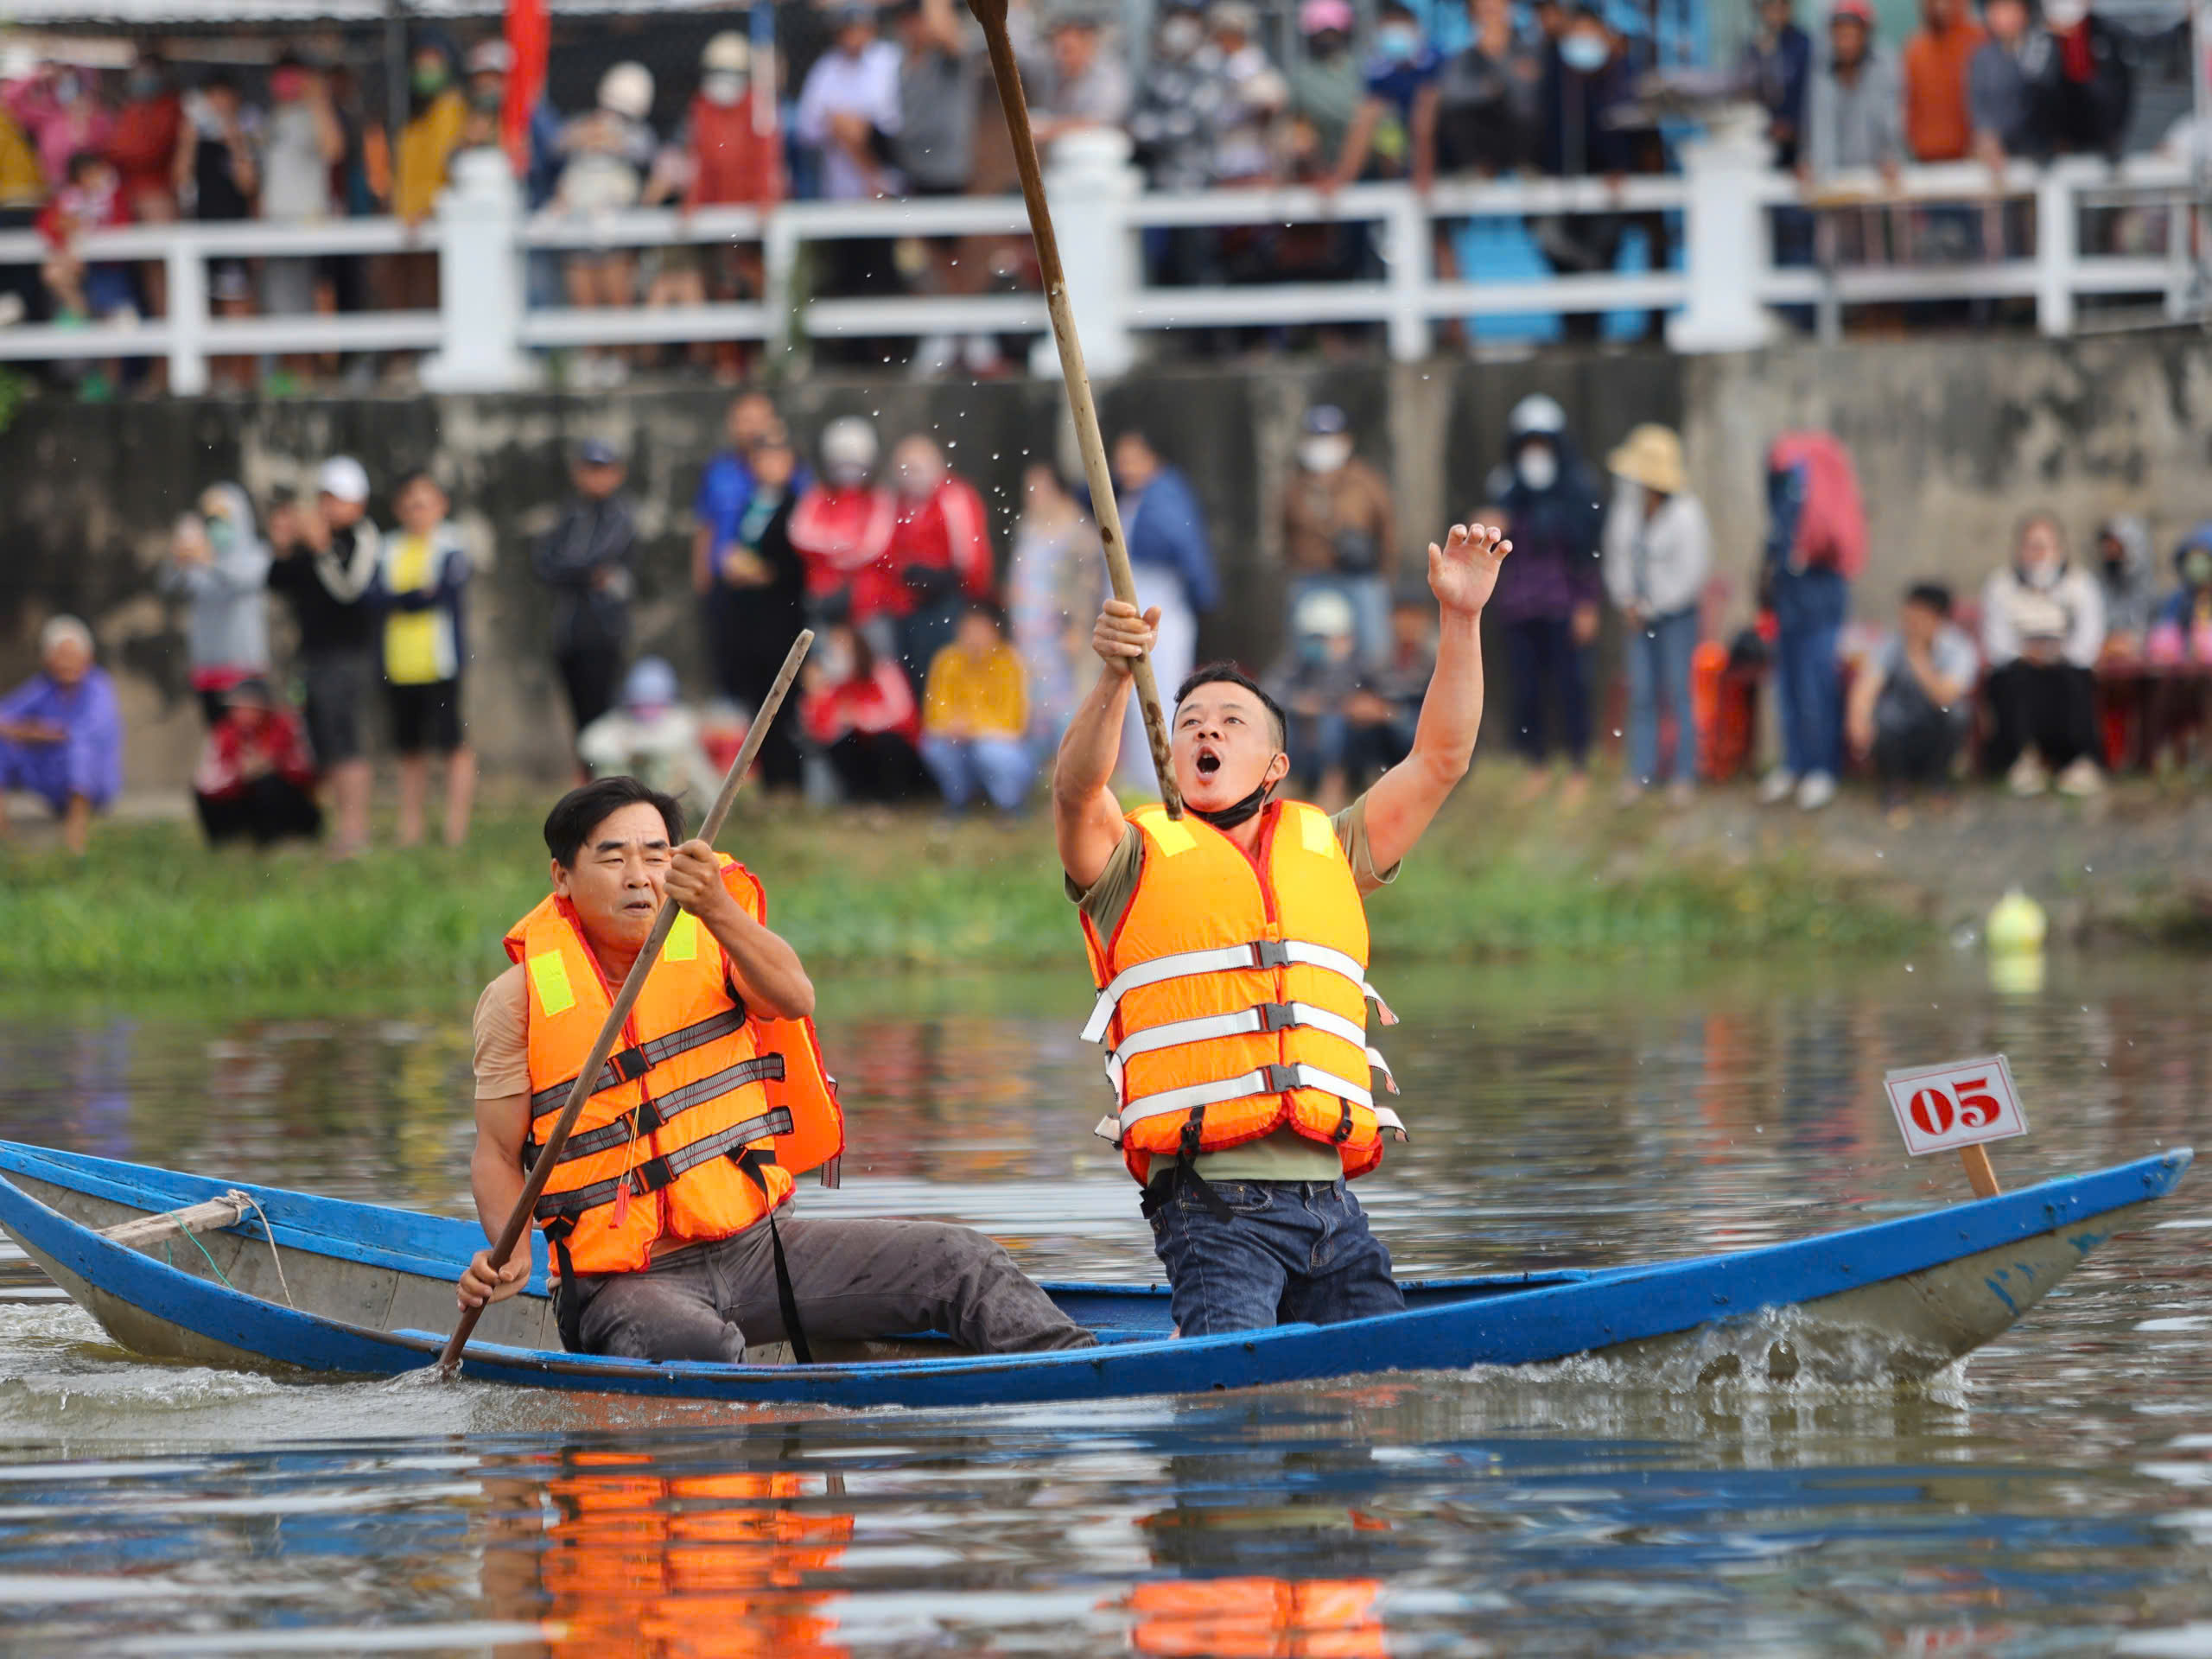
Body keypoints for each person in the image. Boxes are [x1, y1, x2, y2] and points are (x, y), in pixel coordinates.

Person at [1052, 518, 1512, 1337]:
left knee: (1378, 1396)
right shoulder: (1129, 856)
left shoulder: (1328, 847)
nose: (1207, 730)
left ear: (1275, 768)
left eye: (1233, 722)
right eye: (1191, 719)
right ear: (1168, 744)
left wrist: (1463, 620)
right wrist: (1117, 680)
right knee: (1230, 1400)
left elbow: (1440, 758)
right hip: (1211, 1205)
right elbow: (1076, 790)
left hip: (1332, 1204)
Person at [454, 776, 1095, 1360]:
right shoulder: (517, 1001)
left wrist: (720, 909)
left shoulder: (716, 940)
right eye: (613, 856)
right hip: (621, 1282)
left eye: (655, 855)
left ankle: (1085, 1371)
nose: (638, 876)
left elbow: (795, 997)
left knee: (958, 1260)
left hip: (759, 1249)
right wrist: (509, 1253)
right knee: (689, 1346)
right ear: (562, 876)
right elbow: (496, 1154)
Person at [1489, 394, 1602, 807]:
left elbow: (1588, 552)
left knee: (1572, 687)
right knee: (1526, 690)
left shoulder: (1577, 488)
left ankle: (1578, 767)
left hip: (1562, 606)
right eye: (1527, 444)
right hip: (1520, 607)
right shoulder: (1506, 487)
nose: (1535, 453)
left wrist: (1588, 605)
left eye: (1543, 443)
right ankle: (1535, 765)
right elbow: (1489, 536)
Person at [265, 455, 381, 857]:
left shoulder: (362, 538)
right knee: (321, 745)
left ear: (359, 503)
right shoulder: (315, 541)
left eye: (339, 498)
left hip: (347, 657)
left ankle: (356, 830)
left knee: (345, 742)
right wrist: (284, 544)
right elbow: (277, 580)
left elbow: (350, 589)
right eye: (326, 498)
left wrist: (322, 549)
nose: (331, 507)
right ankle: (338, 828)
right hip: (312, 658)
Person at [696, 417, 809, 791]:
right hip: (749, 619)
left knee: (784, 703)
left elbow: (793, 563)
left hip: (781, 616)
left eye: (776, 454)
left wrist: (756, 569)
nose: (768, 463)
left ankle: (790, 781)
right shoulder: (751, 502)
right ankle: (769, 781)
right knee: (756, 699)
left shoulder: (798, 505)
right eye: (762, 455)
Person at [1601, 424, 1710, 805]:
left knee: (1678, 691)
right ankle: (1640, 773)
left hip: (1676, 616)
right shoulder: (1626, 511)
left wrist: (1651, 606)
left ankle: (1684, 774)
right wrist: (1627, 600)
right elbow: (1616, 559)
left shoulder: (1686, 514)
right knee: (1642, 693)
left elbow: (1691, 573)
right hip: (1636, 617)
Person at [1758, 430, 1865, 811]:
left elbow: (1832, 540)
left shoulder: (1816, 479)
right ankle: (1794, 765)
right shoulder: (1787, 479)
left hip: (1818, 601)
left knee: (1815, 686)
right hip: (1789, 602)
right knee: (1788, 685)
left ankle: (1822, 769)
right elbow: (1777, 539)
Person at [1107, 429, 1218, 785]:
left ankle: (1167, 779)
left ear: (1153, 458)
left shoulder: (1166, 495)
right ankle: (1142, 778)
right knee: (1129, 698)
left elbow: (1185, 549)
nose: (1125, 468)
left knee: (1162, 694)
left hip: (1162, 612)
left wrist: (1203, 596)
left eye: (1132, 459)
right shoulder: (1129, 496)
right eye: (1119, 460)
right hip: (1132, 613)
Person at [379, 470, 477, 846]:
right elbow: (377, 598)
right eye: (409, 504)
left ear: (440, 507)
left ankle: (456, 827)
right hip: (400, 665)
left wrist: (405, 598)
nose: (415, 511)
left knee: (453, 745)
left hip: (440, 663)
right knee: (410, 749)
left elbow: (441, 594)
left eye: (423, 503)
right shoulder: (389, 548)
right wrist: (415, 595)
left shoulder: (451, 547)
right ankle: (411, 827)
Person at [1980, 512, 2105, 796]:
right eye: (2030, 546)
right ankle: (2022, 760)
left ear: (2058, 550)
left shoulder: (2080, 584)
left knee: (2074, 680)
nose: (2037, 555)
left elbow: (2088, 639)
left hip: (2066, 662)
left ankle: (2078, 761)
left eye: (2044, 547)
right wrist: (2027, 653)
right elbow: (1996, 641)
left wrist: (2054, 653)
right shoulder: (2000, 585)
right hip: (2019, 664)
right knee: (2012, 680)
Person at [555, 63, 657, 388]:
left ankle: (620, 358)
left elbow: (646, 152)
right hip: (578, 223)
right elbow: (555, 144)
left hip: (616, 228)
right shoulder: (582, 122)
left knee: (616, 292)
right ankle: (592, 357)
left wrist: (613, 140)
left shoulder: (639, 133)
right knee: (583, 293)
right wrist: (583, 135)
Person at [533, 439, 638, 756]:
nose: (595, 477)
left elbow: (597, 558)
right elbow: (543, 564)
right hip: (568, 632)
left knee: (603, 719)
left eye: (602, 469)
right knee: (580, 720)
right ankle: (587, 793)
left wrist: (571, 569)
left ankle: (607, 791)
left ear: (616, 473)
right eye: (589, 469)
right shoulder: (570, 515)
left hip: (604, 631)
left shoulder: (621, 516)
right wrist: (583, 573)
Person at [1282, 405, 1395, 672]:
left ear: (1346, 441)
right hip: (1312, 577)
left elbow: (1386, 529)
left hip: (1358, 577)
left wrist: (1383, 573)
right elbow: (1285, 532)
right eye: (1317, 439)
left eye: (1330, 439)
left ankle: (1369, 700)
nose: (1323, 447)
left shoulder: (1366, 481)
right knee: (1307, 654)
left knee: (1372, 649)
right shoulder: (1294, 487)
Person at [1845, 582, 1977, 810]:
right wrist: (1858, 718)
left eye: (1918, 617)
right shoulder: (1892, 643)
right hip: (1902, 719)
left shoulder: (1959, 648)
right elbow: (1868, 685)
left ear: (1938, 618)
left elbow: (1944, 696)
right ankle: (1896, 782)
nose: (1910, 624)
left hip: (1937, 721)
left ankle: (1938, 781)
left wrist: (1918, 659)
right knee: (1883, 714)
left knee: (1957, 713)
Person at [1005, 462, 1103, 764]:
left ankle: (1072, 769)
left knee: (1067, 703)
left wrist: (1077, 626)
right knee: (1032, 703)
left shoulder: (1079, 531)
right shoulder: (1028, 526)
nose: (1032, 496)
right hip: (1028, 630)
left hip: (1061, 631)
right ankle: (1041, 776)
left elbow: (1088, 586)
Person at [0, 615, 121, 856]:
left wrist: (36, 732)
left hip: (93, 786)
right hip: (51, 780)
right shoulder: (44, 688)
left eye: (73, 655)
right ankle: (5, 839)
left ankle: (76, 843)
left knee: (79, 749)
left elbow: (82, 732)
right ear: (47, 661)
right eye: (60, 656)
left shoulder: (100, 688)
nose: (67, 663)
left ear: (89, 659)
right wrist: (33, 732)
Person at [886, 434, 995, 684]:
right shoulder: (899, 503)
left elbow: (971, 557)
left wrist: (970, 594)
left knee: (947, 670)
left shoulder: (953, 497)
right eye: (905, 470)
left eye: (917, 468)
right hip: (911, 604)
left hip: (949, 600)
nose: (911, 476)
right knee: (914, 674)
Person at [162, 482, 271, 723]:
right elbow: (168, 586)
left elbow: (244, 580)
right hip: (207, 669)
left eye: (223, 516)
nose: (216, 525)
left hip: (245, 670)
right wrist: (177, 557)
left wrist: (208, 560)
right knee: (220, 746)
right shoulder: (198, 559)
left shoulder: (257, 554)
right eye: (210, 518)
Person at [257, 54, 343, 349]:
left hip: (308, 221)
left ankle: (314, 371)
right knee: (280, 302)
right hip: (275, 224)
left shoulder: (313, 115)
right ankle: (290, 372)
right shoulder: (271, 119)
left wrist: (318, 99)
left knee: (310, 300)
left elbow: (333, 150)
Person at [789, 416, 899, 645]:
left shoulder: (880, 498)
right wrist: (845, 544)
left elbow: (875, 547)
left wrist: (832, 550)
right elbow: (800, 535)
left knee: (878, 670)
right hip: (824, 604)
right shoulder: (817, 496)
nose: (848, 472)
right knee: (823, 675)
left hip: (870, 609)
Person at [800, 618, 930, 804]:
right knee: (839, 743)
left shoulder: (883, 671)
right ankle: (859, 797)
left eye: (843, 645)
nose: (838, 652)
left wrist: (862, 717)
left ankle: (895, 797)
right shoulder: (836, 684)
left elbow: (903, 713)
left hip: (898, 745)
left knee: (887, 743)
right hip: (864, 747)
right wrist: (817, 698)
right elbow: (823, 728)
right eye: (833, 646)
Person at [919, 603, 1033, 814]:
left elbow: (1014, 722)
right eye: (968, 630)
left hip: (999, 743)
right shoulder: (947, 660)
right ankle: (959, 800)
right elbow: (934, 712)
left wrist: (972, 727)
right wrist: (952, 727)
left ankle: (1010, 804)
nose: (974, 637)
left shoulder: (1009, 662)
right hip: (960, 738)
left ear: (994, 631)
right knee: (935, 746)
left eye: (980, 629)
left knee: (990, 752)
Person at [191, 677, 322, 847]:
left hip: (288, 800)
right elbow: (206, 782)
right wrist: (239, 773)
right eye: (237, 708)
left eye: (249, 708)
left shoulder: (285, 726)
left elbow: (308, 769)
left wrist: (273, 764)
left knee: (268, 784)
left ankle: (283, 838)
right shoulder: (224, 733)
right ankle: (227, 841)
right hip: (241, 796)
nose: (241, 714)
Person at [1325, 0, 1441, 191]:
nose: (1394, 37)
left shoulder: (1436, 61)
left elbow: (1425, 121)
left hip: (1445, 149)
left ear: (1415, 30)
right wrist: (1341, 178)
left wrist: (1423, 171)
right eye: (1388, 30)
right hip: (1413, 155)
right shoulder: (1381, 74)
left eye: (1399, 29)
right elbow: (1364, 124)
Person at [1266, 587, 1363, 810]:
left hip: (1342, 747)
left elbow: (1361, 698)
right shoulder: (1297, 663)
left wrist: (1325, 703)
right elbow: (1271, 691)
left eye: (1324, 638)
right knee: (1281, 720)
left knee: (1333, 722)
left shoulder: (1356, 665)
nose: (1318, 645)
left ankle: (1332, 786)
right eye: (1313, 638)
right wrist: (1299, 702)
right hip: (1300, 745)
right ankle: (1285, 783)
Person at [390, 41, 467, 319]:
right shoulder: (414, 112)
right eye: (422, 64)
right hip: (411, 219)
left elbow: (442, 162)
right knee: (409, 292)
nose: (427, 71)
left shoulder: (451, 107)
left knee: (435, 293)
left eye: (434, 64)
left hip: (434, 216)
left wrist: (424, 207)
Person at [577, 657, 720, 801]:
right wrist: (629, 752)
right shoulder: (617, 724)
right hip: (626, 797)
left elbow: (701, 774)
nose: (646, 710)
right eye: (640, 705)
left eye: (653, 704)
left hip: (673, 799)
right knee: (609, 770)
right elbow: (590, 744)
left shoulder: (680, 721)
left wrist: (646, 750)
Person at [1344, 593, 1436, 791]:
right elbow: (1359, 693)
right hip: (1382, 729)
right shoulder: (1378, 659)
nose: (1407, 624)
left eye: (1414, 616)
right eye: (1402, 616)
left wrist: (1390, 713)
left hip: (1420, 729)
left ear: (1426, 620)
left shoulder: (1437, 658)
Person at [1031, 10, 1134, 147]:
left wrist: (1051, 130)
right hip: (1060, 145)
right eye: (1055, 47)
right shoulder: (1051, 71)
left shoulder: (1110, 74)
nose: (1058, 55)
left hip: (1098, 149)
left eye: (1067, 50)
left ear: (1088, 45)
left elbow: (1101, 122)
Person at [1902, 0, 1985, 163]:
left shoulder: (1977, 41)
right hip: (1926, 158)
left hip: (1970, 159)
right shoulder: (1915, 48)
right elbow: (1909, 103)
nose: (1941, 7)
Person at [1740, 0, 1814, 169]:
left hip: (1800, 140)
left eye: (1780, 6)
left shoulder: (1805, 45)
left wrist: (1795, 126)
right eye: (1769, 7)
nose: (1775, 12)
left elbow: (1813, 94)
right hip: (1768, 140)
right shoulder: (1757, 47)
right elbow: (1750, 90)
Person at [2094, 516, 2157, 656]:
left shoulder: (2148, 593)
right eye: (2107, 546)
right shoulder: (2097, 589)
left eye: (2116, 546)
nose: (2110, 552)